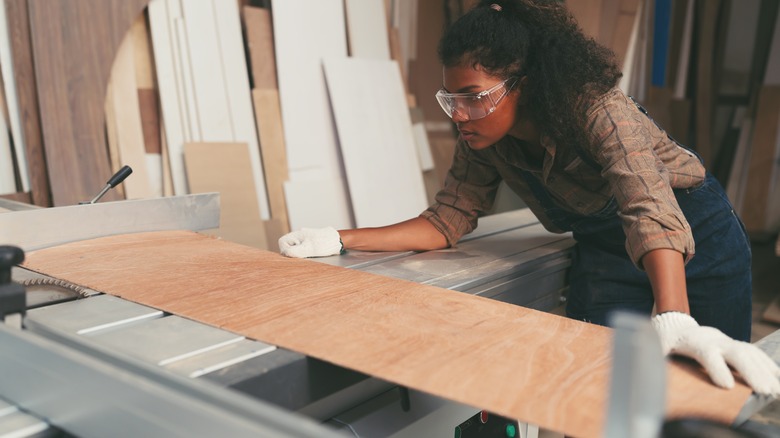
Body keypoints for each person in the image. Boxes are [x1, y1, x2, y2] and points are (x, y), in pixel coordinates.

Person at [278, 0, 780, 396]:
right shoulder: (483, 140)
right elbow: (447, 219)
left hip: (694, 239)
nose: (460, 114)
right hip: (608, 251)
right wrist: (338, 238)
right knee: (595, 392)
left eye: (474, 95)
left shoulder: (600, 110)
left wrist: (674, 316)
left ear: (525, 84)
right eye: (451, 98)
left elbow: (648, 207)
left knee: (706, 391)